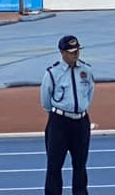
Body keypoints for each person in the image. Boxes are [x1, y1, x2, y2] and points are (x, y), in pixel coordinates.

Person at [41, 35, 94, 195]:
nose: (75, 54)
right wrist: (62, 112)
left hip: (81, 122)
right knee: (54, 166)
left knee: (80, 165)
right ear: (62, 52)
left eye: (77, 50)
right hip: (59, 123)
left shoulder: (86, 70)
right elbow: (45, 101)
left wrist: (80, 109)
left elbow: (89, 93)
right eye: (71, 51)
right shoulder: (52, 73)